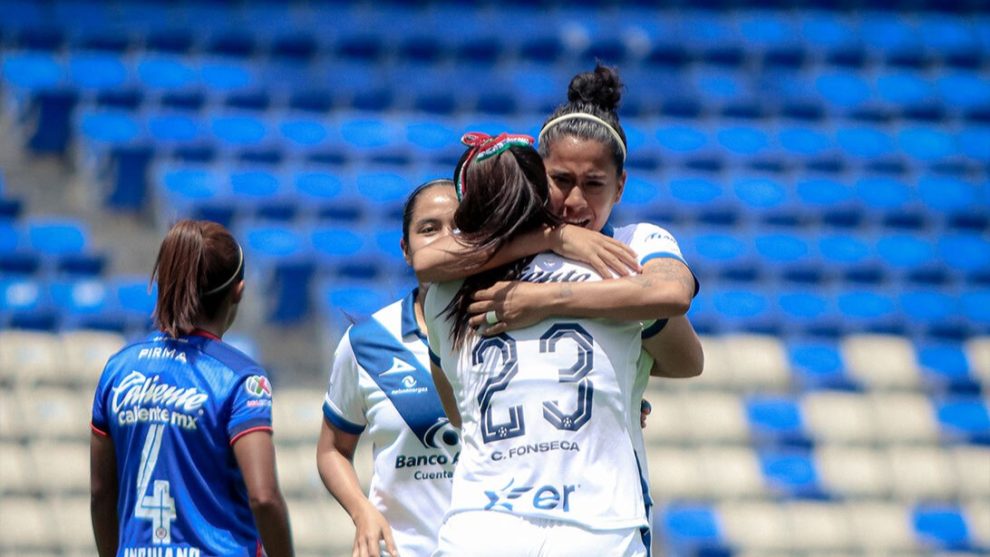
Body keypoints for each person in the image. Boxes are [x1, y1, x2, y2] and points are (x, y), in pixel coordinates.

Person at [316, 179, 650, 557]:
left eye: (459, 228)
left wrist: (624, 395)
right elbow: (332, 451)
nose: (445, 238)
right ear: (406, 251)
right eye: (429, 229)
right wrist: (362, 513)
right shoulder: (368, 343)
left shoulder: (520, 317)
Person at [424, 131, 695, 556]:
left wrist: (542, 301)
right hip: (599, 524)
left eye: (592, 183)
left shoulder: (443, 294)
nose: (573, 201)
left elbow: (457, 410)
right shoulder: (619, 269)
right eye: (561, 180)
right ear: (537, 183)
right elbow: (687, 354)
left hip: (479, 523)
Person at [90, 220, 294, 557]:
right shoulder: (240, 379)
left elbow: (101, 493)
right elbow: (264, 497)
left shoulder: (118, 370)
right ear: (238, 291)